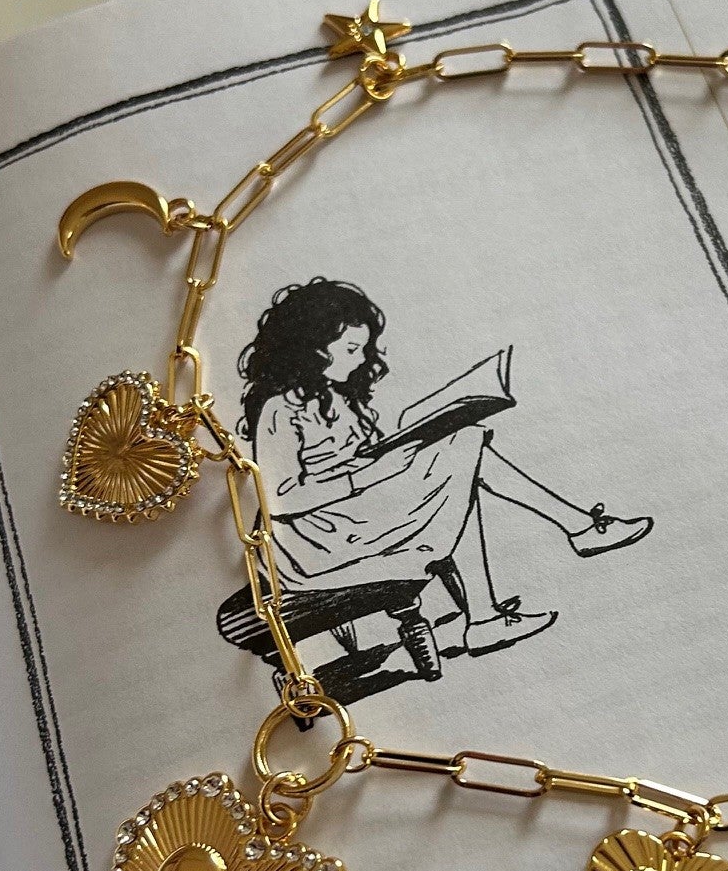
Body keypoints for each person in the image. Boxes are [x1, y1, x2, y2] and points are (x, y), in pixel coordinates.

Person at [238, 278, 652, 658]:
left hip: (353, 516)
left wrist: (391, 452)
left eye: (363, 348)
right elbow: (279, 498)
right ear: (311, 349)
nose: (362, 358)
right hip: (314, 543)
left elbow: (356, 459)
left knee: (463, 448)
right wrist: (367, 474)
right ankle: (573, 533)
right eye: (350, 349)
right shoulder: (279, 409)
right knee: (465, 448)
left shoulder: (339, 397)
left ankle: (496, 609)